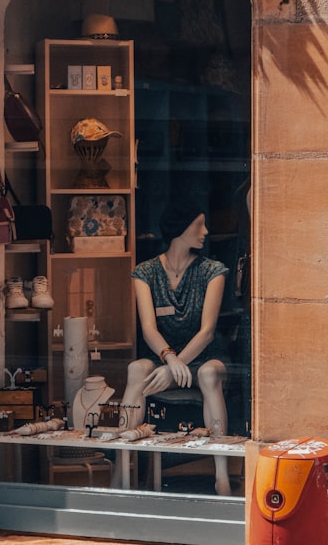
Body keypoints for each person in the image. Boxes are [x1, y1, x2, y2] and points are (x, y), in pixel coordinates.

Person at [119, 197, 232, 495]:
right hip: (164, 356)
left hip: (204, 356)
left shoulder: (213, 271)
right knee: (136, 369)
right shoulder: (145, 272)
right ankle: (122, 470)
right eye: (199, 224)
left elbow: (207, 331)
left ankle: (222, 474)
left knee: (209, 374)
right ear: (180, 228)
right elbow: (148, 329)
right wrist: (170, 361)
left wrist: (178, 364)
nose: (205, 231)